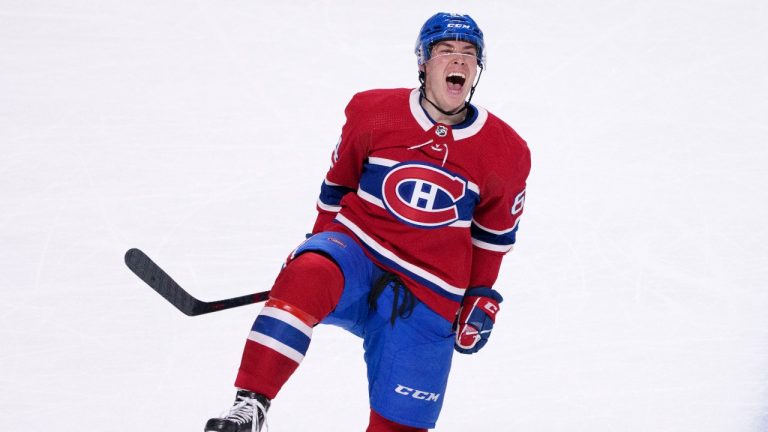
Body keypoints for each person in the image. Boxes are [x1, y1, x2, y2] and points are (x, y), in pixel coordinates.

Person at [204, 12, 531, 432]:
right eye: (446, 50)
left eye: (469, 53)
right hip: (359, 251)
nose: (459, 60)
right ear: (423, 62)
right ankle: (251, 406)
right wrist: (316, 249)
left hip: (431, 288)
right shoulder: (373, 112)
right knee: (309, 272)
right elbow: (336, 189)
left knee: (400, 425)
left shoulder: (507, 150)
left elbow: (492, 236)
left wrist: (480, 295)